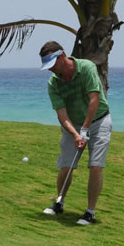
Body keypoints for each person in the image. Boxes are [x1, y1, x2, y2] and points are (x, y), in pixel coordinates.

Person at [39, 41, 112, 225]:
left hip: (99, 120)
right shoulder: (53, 83)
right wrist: (76, 134)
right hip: (73, 124)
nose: (51, 70)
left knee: (95, 166)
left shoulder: (86, 68)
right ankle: (59, 203)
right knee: (66, 165)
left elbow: (94, 99)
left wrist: (85, 128)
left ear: (62, 56)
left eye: (52, 65)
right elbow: (62, 115)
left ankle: (90, 212)